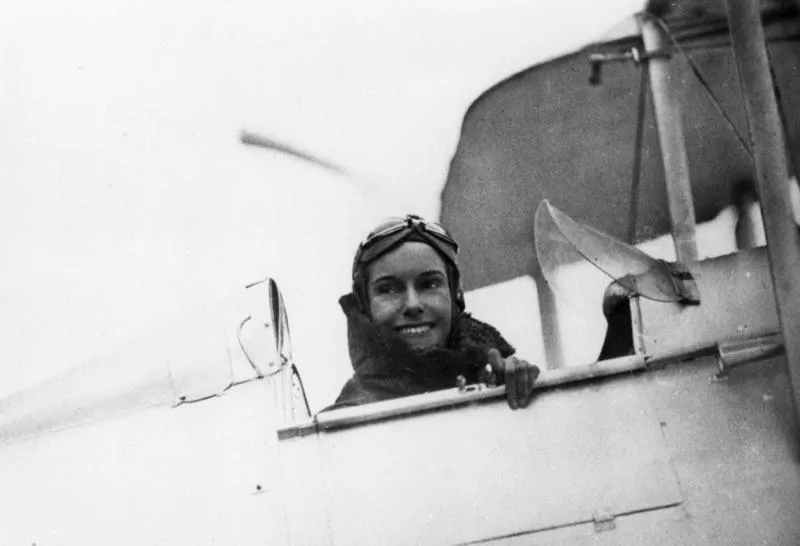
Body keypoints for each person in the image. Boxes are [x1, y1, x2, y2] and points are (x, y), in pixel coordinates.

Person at [325, 214, 540, 411]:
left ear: (456, 293)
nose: (412, 304)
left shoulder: (496, 380)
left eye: (429, 284)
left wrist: (521, 398)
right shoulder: (345, 422)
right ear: (364, 304)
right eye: (388, 289)